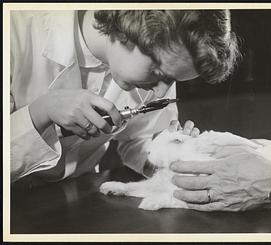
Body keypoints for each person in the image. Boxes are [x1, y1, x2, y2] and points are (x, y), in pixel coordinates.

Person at [10, 9, 239, 183]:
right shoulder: (13, 31)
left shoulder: (157, 59)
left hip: (80, 194)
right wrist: (41, 111)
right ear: (127, 29)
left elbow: (138, 138)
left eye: (171, 81)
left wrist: (166, 156)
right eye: (158, 74)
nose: (160, 92)